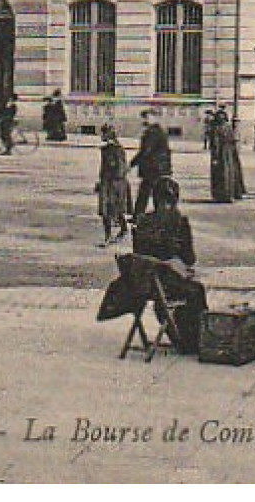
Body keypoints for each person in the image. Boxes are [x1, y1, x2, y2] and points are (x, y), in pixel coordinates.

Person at [130, 177, 207, 353]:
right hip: (164, 285)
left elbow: (138, 254)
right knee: (196, 290)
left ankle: (179, 332)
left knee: (177, 288)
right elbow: (190, 258)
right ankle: (192, 339)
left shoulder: (142, 221)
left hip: (141, 285)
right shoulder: (178, 222)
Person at [131, 109, 173, 218]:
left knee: (148, 192)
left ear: (155, 118)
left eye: (147, 117)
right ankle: (141, 215)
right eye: (144, 117)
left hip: (154, 168)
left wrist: (132, 164)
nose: (145, 120)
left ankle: (139, 215)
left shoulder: (153, 132)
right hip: (158, 167)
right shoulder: (156, 130)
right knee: (152, 191)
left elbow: (145, 151)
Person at [96, 125, 132, 245]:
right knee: (112, 210)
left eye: (103, 133)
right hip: (111, 183)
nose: (101, 136)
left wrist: (110, 180)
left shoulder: (114, 150)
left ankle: (110, 236)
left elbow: (120, 168)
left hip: (113, 183)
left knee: (108, 209)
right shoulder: (110, 149)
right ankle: (121, 230)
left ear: (108, 135)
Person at [207, 106, 246, 203]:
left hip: (221, 153)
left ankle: (222, 195)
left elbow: (214, 144)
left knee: (221, 174)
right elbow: (233, 140)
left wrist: (215, 157)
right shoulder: (228, 127)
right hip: (230, 153)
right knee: (230, 173)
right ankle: (231, 194)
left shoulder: (215, 128)